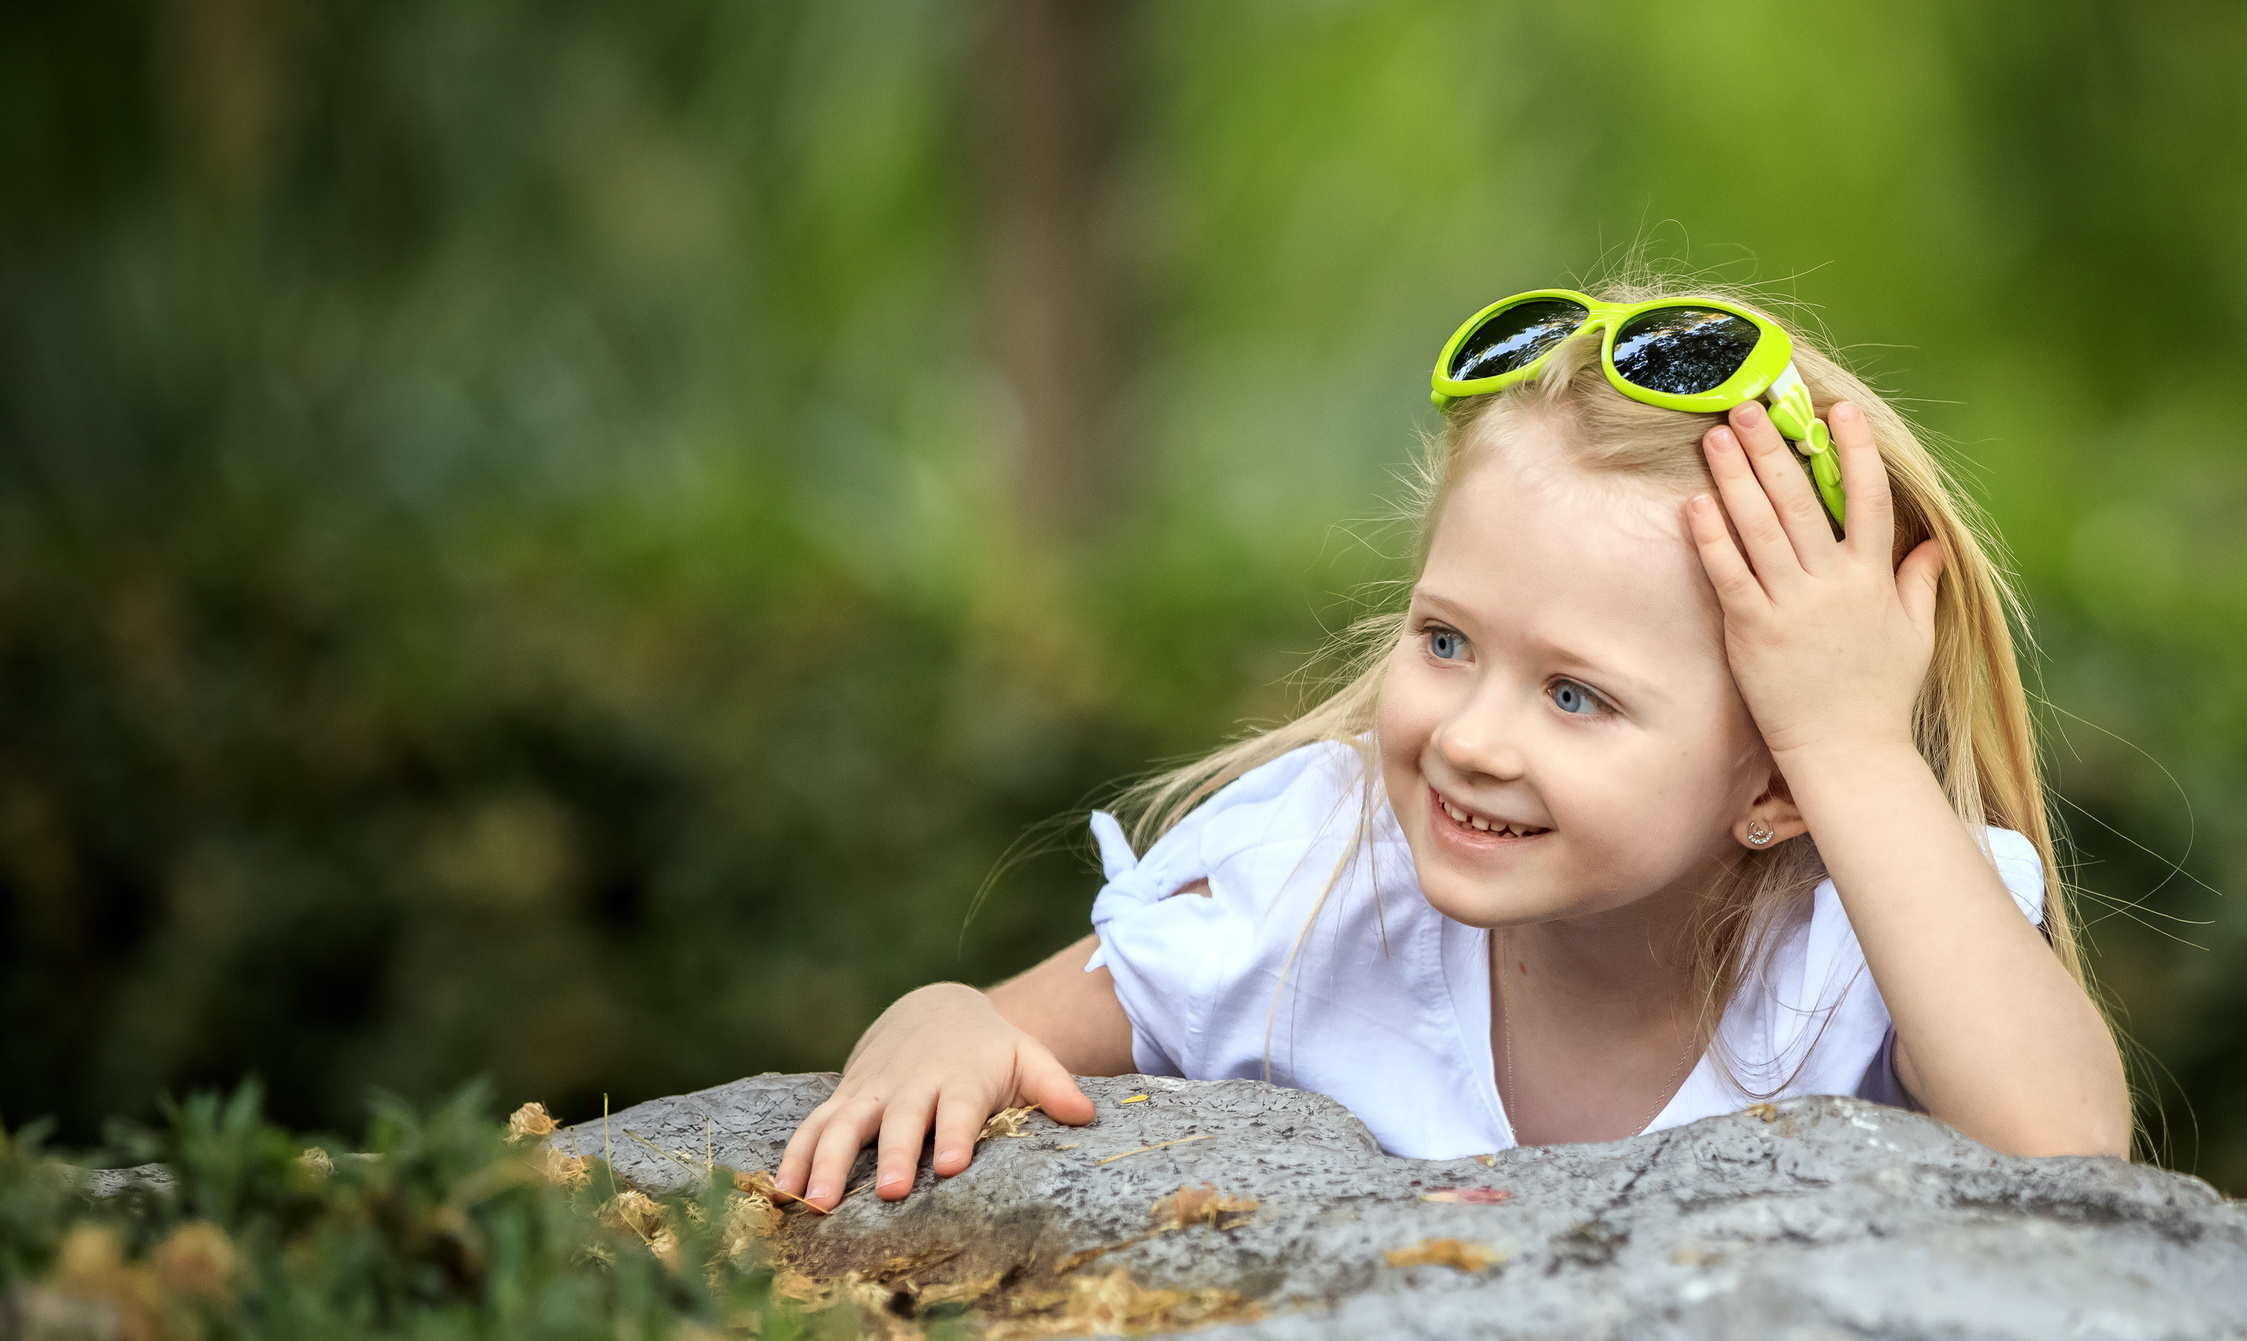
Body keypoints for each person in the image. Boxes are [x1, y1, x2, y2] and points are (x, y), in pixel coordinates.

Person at [779, 279, 2132, 1209]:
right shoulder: (1319, 870)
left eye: (1575, 695)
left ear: (1777, 781)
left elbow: (2066, 1143)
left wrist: (1853, 747)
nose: (1471, 737)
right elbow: (988, 1025)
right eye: (1446, 642)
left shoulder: (1868, 933)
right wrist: (929, 1026)